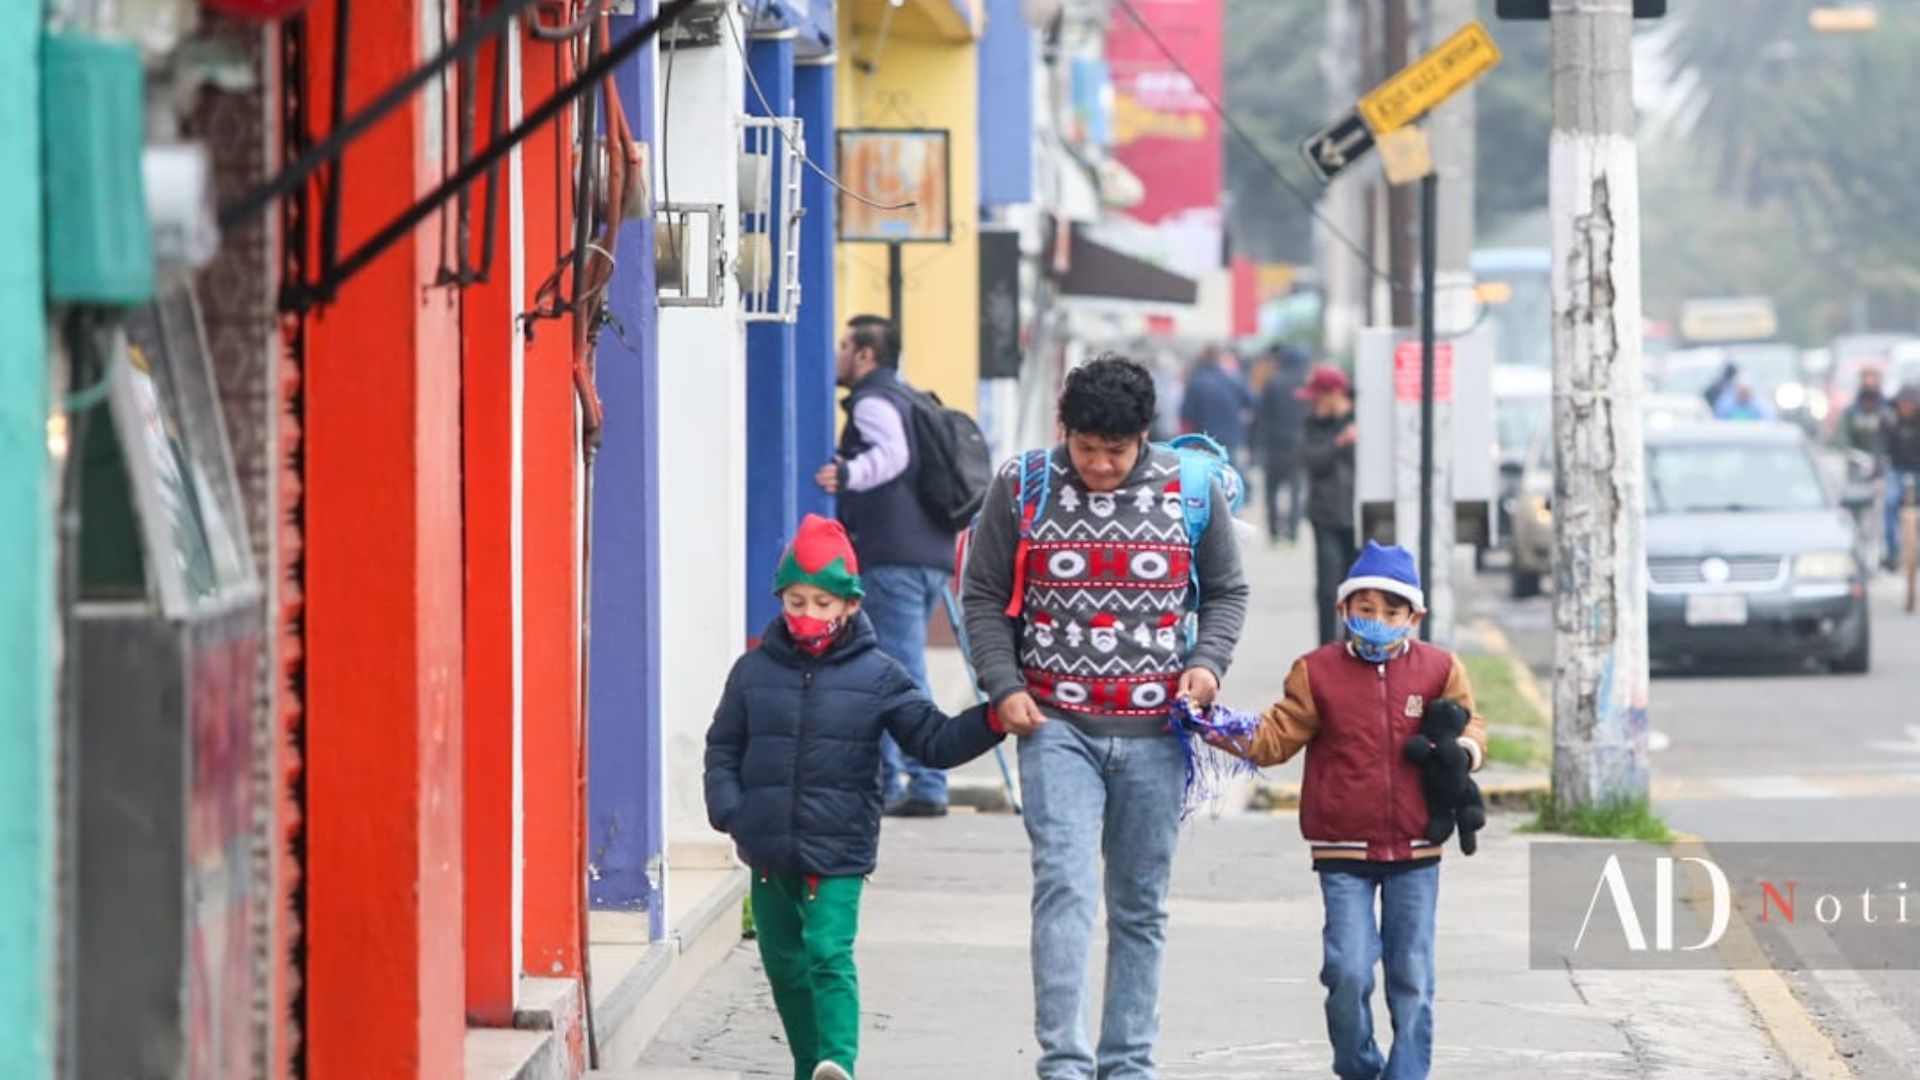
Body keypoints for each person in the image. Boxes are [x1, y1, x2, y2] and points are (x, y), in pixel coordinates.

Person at [961, 355, 1249, 1079]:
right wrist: (1002, 684)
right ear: (1067, 431)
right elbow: (983, 595)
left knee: (1140, 906)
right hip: (1054, 726)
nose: (1098, 465)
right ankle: (1063, 1061)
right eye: (1086, 448)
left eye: (1115, 452)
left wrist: (1207, 666)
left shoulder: (1194, 489)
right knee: (1064, 885)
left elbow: (1227, 591)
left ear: (1144, 436)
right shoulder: (1021, 484)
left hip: (1157, 735)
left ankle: (1128, 1063)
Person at [705, 514, 1006, 1080]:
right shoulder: (752, 672)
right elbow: (724, 744)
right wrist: (730, 809)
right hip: (766, 848)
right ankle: (807, 1066)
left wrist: (993, 719)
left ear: (848, 605)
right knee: (785, 965)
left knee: (826, 952)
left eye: (822, 603)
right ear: (781, 598)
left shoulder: (879, 676)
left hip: (838, 849)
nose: (808, 616)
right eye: (796, 601)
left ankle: (837, 1063)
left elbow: (932, 740)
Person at [1215, 542, 1488, 1080]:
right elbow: (1275, 738)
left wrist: (1466, 753)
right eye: (1366, 610)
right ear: (1344, 611)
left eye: (1392, 612)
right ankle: (1359, 1065)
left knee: (1412, 977)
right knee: (1347, 971)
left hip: (1417, 847)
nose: (1379, 622)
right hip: (1343, 849)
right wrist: (1216, 727)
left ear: (1415, 617)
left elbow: (1471, 725)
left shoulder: (1440, 669)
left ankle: (1407, 1073)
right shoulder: (1316, 673)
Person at [815, 315, 958, 818]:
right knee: (896, 666)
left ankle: (925, 782)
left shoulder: (875, 400)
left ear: (866, 356)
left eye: (844, 346)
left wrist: (849, 472)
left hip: (894, 555)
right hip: (926, 554)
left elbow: (892, 454)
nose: (836, 355)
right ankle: (898, 780)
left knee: (900, 670)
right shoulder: (905, 394)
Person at [1298, 365, 1359, 645]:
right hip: (1325, 515)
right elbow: (1309, 461)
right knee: (1327, 588)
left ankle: (1353, 643)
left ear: (1334, 394)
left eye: (1316, 397)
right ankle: (1326, 648)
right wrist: (1339, 444)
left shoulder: (1363, 419)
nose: (1312, 403)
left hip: (1358, 517)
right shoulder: (1313, 426)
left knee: (1357, 587)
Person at [1254, 345, 1311, 544]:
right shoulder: (1306, 383)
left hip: (1275, 443)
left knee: (1272, 490)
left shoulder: (1273, 382)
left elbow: (1262, 415)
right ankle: (1293, 532)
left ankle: (1273, 532)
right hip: (1299, 444)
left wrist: (1257, 444)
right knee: (1296, 490)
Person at [1179, 346, 1256, 459]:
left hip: (1205, 438)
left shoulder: (1197, 383)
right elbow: (1251, 403)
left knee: (1207, 473)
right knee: (1230, 470)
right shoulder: (1235, 380)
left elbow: (1186, 413)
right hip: (1232, 437)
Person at [1880, 387, 1920, 571]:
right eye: (1904, 404)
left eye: (1911, 405)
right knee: (1889, 503)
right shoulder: (1889, 419)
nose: (1907, 408)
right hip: (1896, 469)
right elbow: (1880, 447)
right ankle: (1892, 552)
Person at [1839, 367, 1890, 458]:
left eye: (1872, 379)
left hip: (1880, 456)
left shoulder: (1886, 411)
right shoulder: (1852, 411)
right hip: (1857, 456)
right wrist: (1847, 448)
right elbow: (1843, 434)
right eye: (1866, 379)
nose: (1869, 383)